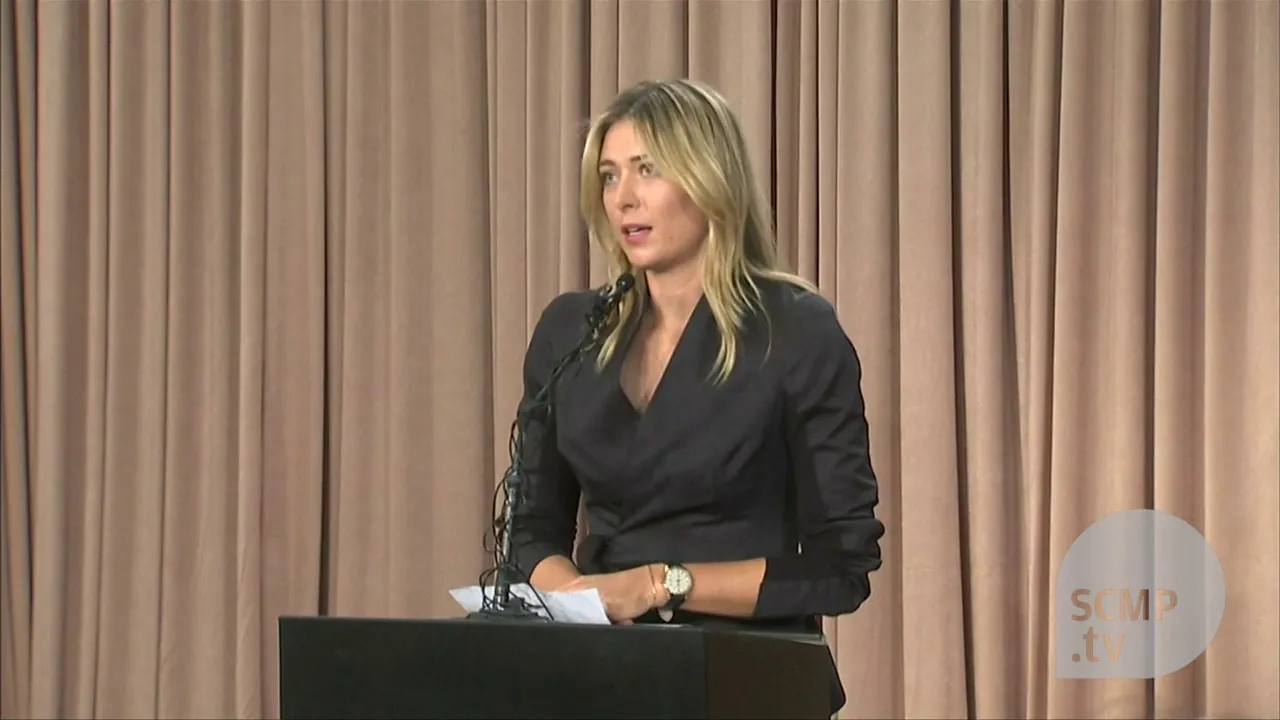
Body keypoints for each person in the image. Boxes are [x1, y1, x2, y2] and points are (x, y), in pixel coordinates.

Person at [509, 78, 884, 715]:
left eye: (648, 170)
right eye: (609, 176)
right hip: (597, 671)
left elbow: (838, 566)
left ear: (711, 178)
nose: (623, 198)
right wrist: (578, 600)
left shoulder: (795, 330)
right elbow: (531, 530)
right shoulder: (571, 330)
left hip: (745, 676)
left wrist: (659, 586)